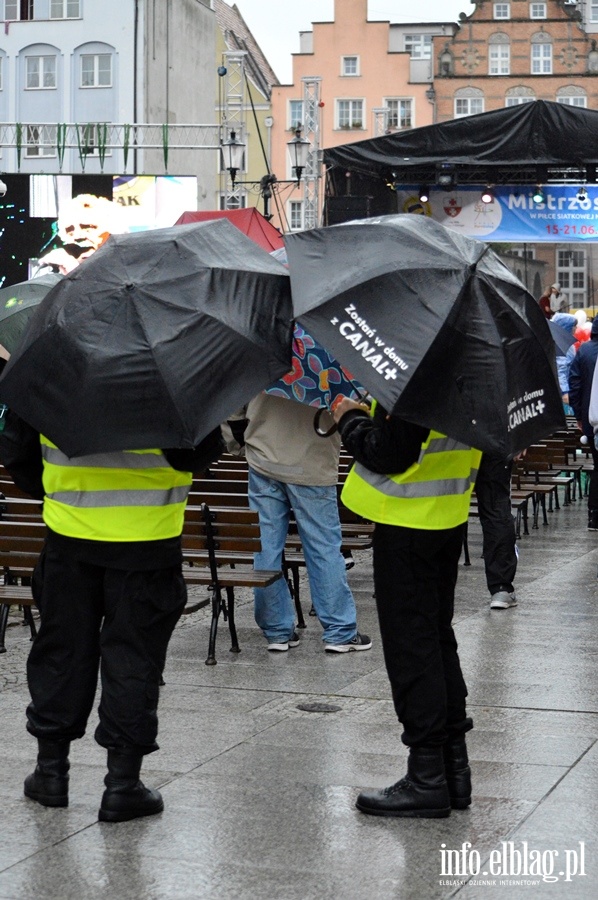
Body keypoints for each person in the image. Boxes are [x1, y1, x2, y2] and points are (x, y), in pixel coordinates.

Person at [0, 410, 223, 822]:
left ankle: (51, 774)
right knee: (134, 662)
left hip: (69, 539)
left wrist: (63, 492)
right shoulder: (170, 381)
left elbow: (17, 455)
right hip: (148, 542)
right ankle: (122, 786)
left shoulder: (51, 372)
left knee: (61, 656)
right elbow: (198, 456)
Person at [332, 398, 481, 818]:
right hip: (445, 517)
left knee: (412, 648)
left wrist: (351, 420)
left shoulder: (420, 363)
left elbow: (391, 452)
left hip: (408, 519)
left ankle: (427, 778)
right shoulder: (467, 366)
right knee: (436, 640)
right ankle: (454, 771)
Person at [243, 392, 371, 653]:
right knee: (323, 548)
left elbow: (234, 397)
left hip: (263, 453)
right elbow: (359, 404)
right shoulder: (333, 356)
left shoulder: (262, 353)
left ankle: (277, 630)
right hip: (313, 459)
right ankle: (339, 630)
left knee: (265, 547)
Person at [475, 454, 518, 610]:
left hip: (453, 445)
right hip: (494, 444)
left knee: (448, 507)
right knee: (496, 510)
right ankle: (501, 588)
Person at [569, 317, 598, 530]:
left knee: (597, 467)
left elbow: (575, 384)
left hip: (590, 420)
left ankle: (593, 515)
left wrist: (579, 416)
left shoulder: (584, 351)